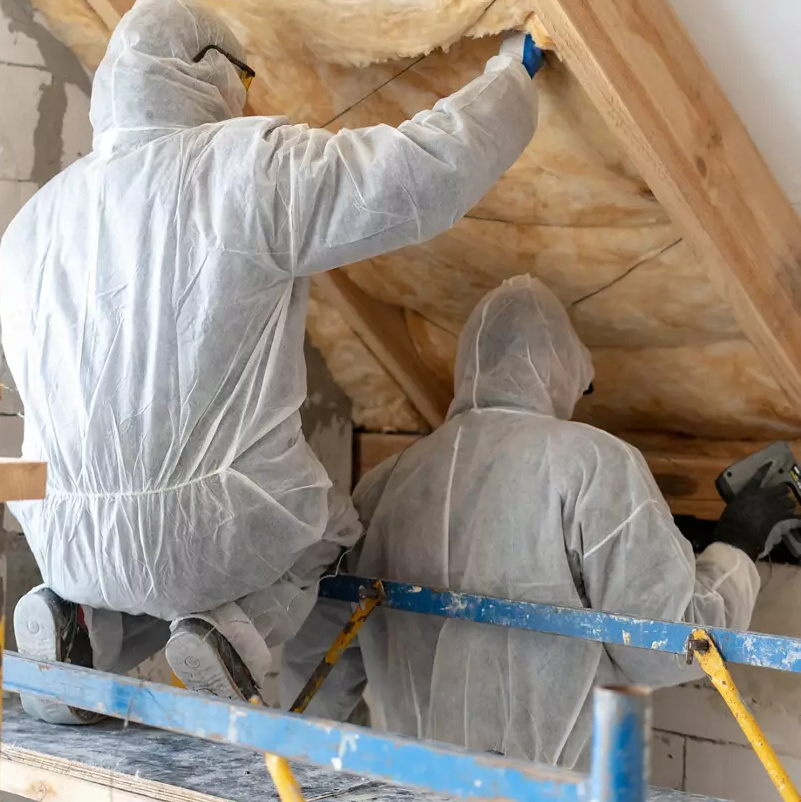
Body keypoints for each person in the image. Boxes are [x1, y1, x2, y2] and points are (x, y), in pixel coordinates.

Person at [0, 0, 544, 723]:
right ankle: (232, 633)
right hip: (216, 535)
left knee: (129, 565)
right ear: (207, 70)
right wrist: (510, 81)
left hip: (62, 533)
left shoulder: (33, 222)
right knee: (326, 535)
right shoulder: (247, 168)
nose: (246, 101)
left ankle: (75, 628)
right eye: (245, 81)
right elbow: (420, 175)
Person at [282, 276, 797, 767]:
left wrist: (354, 774)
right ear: (561, 367)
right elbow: (665, 648)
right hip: (544, 791)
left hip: (412, 785)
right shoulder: (591, 463)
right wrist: (736, 545)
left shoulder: (385, 483)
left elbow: (317, 655)